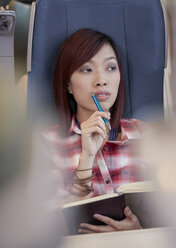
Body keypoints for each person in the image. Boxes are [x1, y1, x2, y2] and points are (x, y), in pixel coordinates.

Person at [43, 28, 146, 234]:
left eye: (111, 67)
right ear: (68, 85)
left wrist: (140, 231)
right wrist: (87, 157)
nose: (101, 80)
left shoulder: (145, 134)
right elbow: (50, 231)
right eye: (86, 69)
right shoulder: (45, 143)